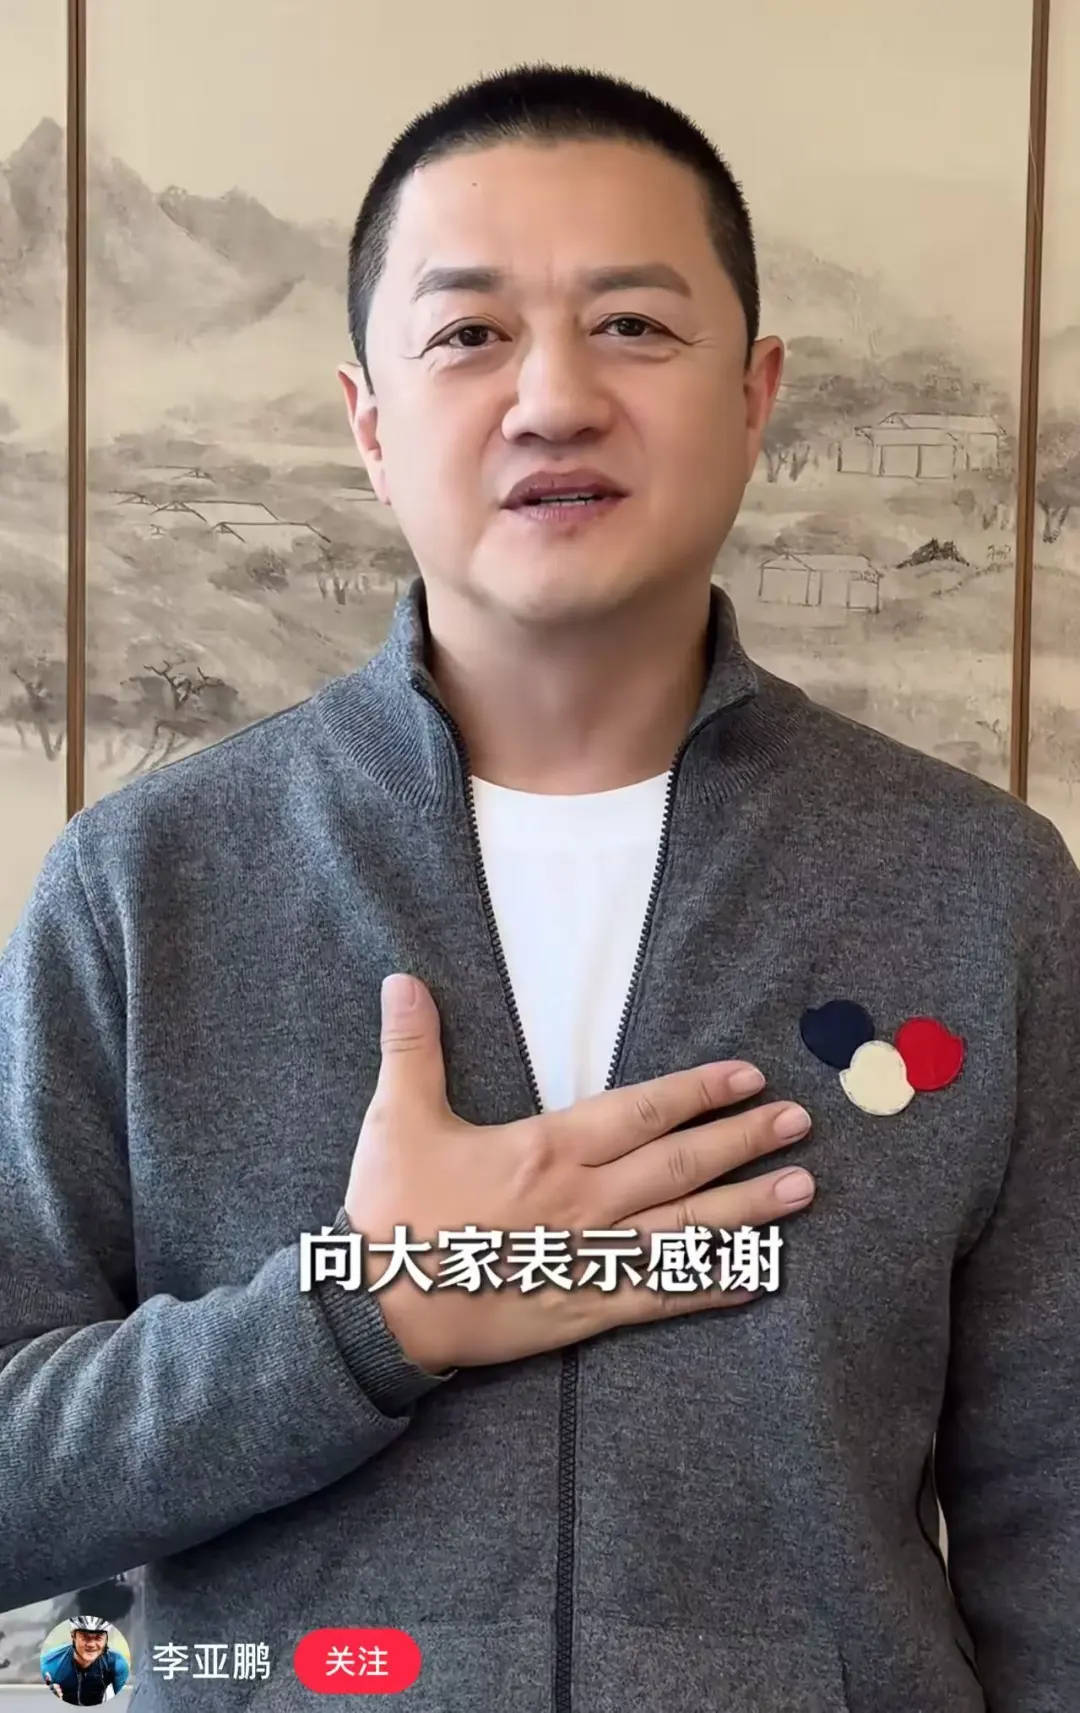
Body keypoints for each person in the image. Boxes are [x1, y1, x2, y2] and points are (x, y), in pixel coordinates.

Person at [0, 59, 1077, 1713]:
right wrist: (369, 1311)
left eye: (633, 324)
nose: (556, 397)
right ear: (369, 422)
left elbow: (1053, 1508)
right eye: (469, 332)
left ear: (756, 395)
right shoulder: (143, 888)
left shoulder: (977, 888)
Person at [40, 1617, 128, 1704]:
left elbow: (125, 1703)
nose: (91, 1644)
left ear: (106, 1640)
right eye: (85, 1636)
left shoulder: (116, 1663)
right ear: (73, 1636)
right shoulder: (49, 1665)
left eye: (98, 1637)